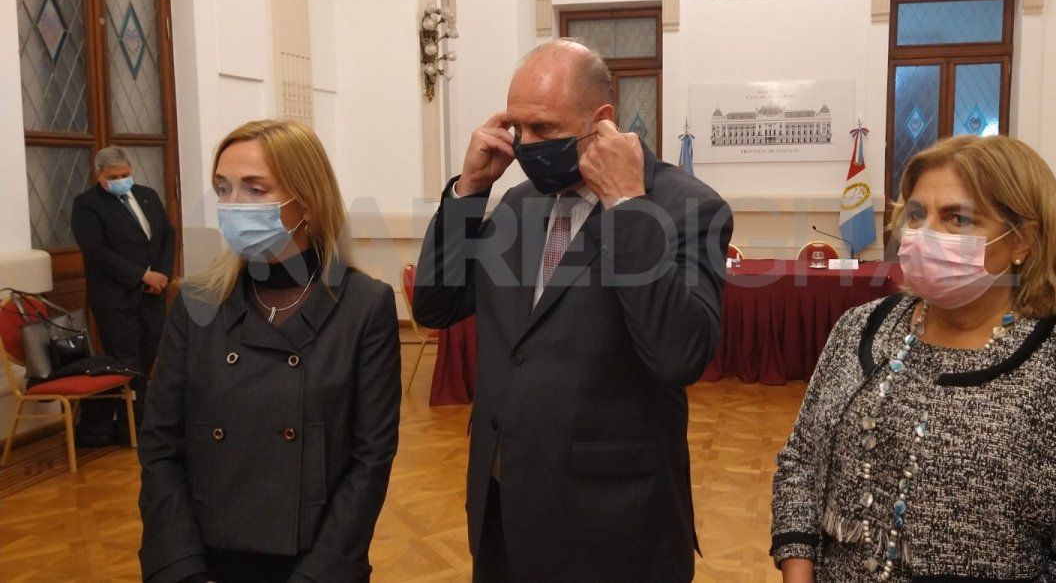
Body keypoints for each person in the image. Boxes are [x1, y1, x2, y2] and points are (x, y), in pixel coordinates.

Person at [414, 39, 733, 582]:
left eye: (543, 129)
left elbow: (679, 354)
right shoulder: (519, 201)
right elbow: (437, 304)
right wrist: (469, 191)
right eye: (517, 128)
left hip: (611, 523)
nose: (525, 145)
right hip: (502, 508)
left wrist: (627, 207)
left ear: (601, 120)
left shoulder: (686, 206)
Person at [770, 135, 1056, 581]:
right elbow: (801, 461)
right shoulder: (860, 328)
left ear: (1023, 241)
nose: (923, 234)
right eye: (915, 214)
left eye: (956, 218)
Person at [138, 120, 400, 583]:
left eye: (254, 190)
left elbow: (370, 458)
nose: (233, 206)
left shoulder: (363, 305)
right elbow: (160, 446)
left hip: (310, 560)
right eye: (223, 188)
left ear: (308, 201)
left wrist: (320, 573)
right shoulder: (196, 302)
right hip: (208, 559)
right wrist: (180, 568)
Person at [71, 146, 175, 446]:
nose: (121, 180)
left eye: (126, 174)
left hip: (153, 294)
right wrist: (141, 275)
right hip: (115, 298)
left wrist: (162, 275)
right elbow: (97, 252)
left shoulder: (147, 195)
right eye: (113, 176)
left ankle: (146, 424)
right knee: (126, 361)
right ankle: (127, 427)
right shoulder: (87, 204)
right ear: (99, 176)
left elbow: (167, 234)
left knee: (151, 357)